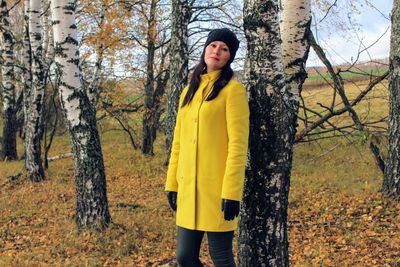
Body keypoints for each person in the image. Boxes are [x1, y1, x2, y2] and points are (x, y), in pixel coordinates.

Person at [165, 28, 249, 267]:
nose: (217, 52)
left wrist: (232, 192)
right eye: (213, 46)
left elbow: (237, 145)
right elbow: (178, 142)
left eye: (224, 49)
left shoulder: (233, 91)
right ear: (205, 49)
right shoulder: (188, 91)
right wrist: (172, 183)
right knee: (184, 257)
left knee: (221, 257)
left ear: (229, 57)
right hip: (189, 190)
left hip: (217, 192)